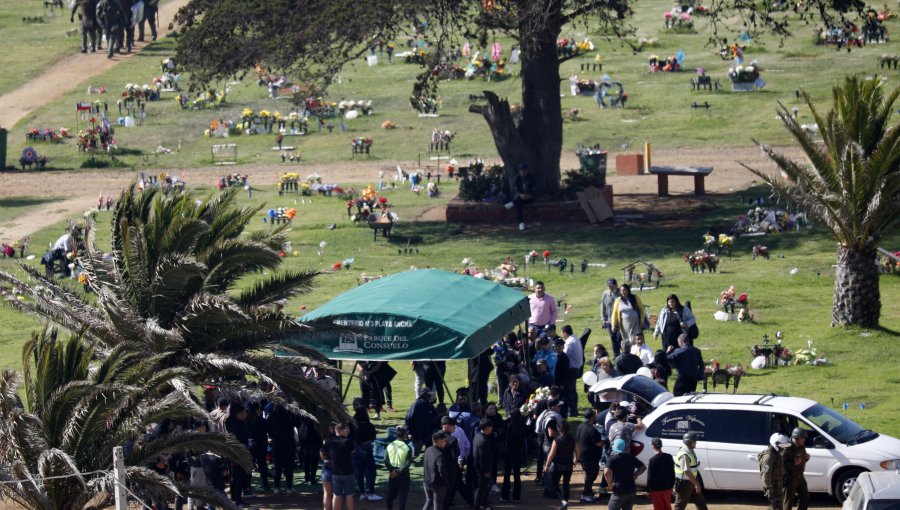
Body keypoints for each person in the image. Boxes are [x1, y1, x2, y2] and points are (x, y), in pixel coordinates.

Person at [604, 438, 646, 510]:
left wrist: (610, 485)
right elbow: (643, 467)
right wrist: (635, 475)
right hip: (631, 490)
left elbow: (606, 473)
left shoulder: (612, 459)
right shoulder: (631, 457)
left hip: (619, 491)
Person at [544, 419, 578, 510]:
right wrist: (575, 460)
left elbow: (551, 454)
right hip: (569, 465)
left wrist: (547, 465)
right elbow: (578, 452)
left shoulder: (557, 440)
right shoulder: (572, 439)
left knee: (554, 484)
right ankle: (566, 501)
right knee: (566, 484)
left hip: (558, 465)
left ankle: (562, 500)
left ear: (559, 429)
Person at [441, 416, 473, 510]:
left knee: (453, 486)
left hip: (445, 467)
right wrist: (460, 462)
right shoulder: (452, 439)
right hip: (452, 467)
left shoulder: (437, 436)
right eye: (452, 426)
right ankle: (472, 501)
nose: (454, 428)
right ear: (447, 426)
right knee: (457, 485)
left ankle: (449, 503)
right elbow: (457, 453)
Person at [351, 403, 381, 501]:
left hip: (356, 449)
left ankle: (363, 493)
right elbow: (373, 437)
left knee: (360, 472)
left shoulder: (352, 424)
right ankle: (371, 492)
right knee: (371, 471)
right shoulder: (369, 425)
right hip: (366, 448)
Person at [673, 432, 708, 510]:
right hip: (684, 484)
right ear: (690, 442)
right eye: (695, 442)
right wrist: (696, 484)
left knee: (701, 504)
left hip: (691, 481)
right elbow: (687, 471)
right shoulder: (684, 454)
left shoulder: (689, 450)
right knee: (680, 506)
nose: (696, 443)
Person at [224, 403, 250, 506]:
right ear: (239, 414)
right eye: (244, 412)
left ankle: (234, 497)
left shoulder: (230, 423)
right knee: (238, 476)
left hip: (232, 452)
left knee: (234, 475)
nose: (246, 414)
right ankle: (238, 499)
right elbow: (243, 439)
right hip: (239, 453)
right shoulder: (238, 425)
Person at [500, 408, 528, 503]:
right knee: (517, 475)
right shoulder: (523, 426)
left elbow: (502, 437)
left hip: (509, 453)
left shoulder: (508, 426)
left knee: (507, 475)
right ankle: (516, 497)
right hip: (518, 453)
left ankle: (505, 496)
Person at [576, 409, 604, 503]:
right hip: (590, 457)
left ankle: (588, 492)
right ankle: (586, 495)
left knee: (590, 475)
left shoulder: (580, 426)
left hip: (582, 455)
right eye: (595, 415)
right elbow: (598, 443)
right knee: (591, 476)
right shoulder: (592, 429)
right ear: (592, 417)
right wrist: (607, 441)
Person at [327, 423, 357, 510]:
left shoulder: (330, 442)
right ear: (341, 431)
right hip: (348, 471)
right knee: (349, 494)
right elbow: (353, 451)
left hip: (335, 472)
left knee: (336, 495)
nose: (347, 432)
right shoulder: (348, 442)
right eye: (346, 430)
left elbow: (324, 452)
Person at [535, 399, 564, 488]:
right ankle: (549, 485)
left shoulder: (546, 413)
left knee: (548, 464)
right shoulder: (551, 418)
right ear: (552, 407)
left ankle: (545, 481)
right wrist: (562, 434)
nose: (560, 408)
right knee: (551, 466)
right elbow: (551, 433)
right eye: (558, 406)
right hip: (550, 445)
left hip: (546, 444)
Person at [385, 425, 414, 510]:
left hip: (392, 474)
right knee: (402, 498)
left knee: (390, 495)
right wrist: (398, 471)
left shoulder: (390, 445)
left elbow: (385, 460)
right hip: (403, 474)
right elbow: (408, 463)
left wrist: (392, 471)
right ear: (405, 434)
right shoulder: (407, 447)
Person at [782, 428, 810, 510]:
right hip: (790, 478)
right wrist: (793, 463)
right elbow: (780, 463)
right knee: (788, 503)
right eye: (803, 438)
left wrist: (806, 458)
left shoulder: (801, 445)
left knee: (805, 499)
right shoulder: (786, 447)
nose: (804, 440)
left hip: (800, 476)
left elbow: (801, 457)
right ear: (797, 438)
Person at [405, 387, 439, 455]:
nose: (430, 396)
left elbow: (436, 417)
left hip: (429, 434)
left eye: (430, 394)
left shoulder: (430, 405)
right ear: (423, 395)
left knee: (430, 451)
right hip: (418, 435)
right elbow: (408, 418)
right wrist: (409, 431)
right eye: (428, 395)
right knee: (415, 453)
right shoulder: (416, 405)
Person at [761, 433, 790, 510]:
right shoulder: (768, 458)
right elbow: (766, 475)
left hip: (778, 486)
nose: (783, 449)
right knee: (775, 507)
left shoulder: (777, 454)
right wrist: (769, 490)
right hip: (773, 488)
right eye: (782, 447)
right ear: (776, 445)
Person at [504, 163, 536, 231]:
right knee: (519, 203)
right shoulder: (518, 178)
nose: (522, 172)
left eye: (524, 170)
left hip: (530, 198)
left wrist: (527, 196)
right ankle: (521, 224)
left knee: (518, 201)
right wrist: (521, 195)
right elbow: (517, 190)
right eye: (521, 170)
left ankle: (513, 203)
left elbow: (534, 192)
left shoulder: (531, 178)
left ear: (527, 170)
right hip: (520, 197)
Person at [473, 419, 496, 510]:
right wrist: (486, 471)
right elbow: (483, 458)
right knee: (482, 488)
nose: (492, 428)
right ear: (486, 428)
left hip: (479, 467)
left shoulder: (478, 436)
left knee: (485, 487)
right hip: (483, 469)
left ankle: (484, 504)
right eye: (490, 426)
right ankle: (479, 506)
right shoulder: (483, 441)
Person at [647, 438, 675, 510]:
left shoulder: (652, 460)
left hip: (656, 489)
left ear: (653, 446)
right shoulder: (669, 457)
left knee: (659, 507)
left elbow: (650, 477)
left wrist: (648, 490)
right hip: (667, 488)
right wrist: (672, 485)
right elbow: (672, 472)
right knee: (667, 507)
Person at [561, 325, 583, 415]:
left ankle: (573, 411)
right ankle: (574, 410)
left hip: (572, 369)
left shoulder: (569, 343)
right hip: (577, 368)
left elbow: (563, 355)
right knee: (573, 390)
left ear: (565, 333)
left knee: (570, 391)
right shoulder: (576, 339)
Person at [423, 432, 449, 510]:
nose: (445, 442)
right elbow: (441, 470)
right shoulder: (440, 454)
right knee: (437, 506)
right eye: (444, 440)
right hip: (437, 484)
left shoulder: (428, 450)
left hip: (427, 481)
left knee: (429, 501)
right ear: (439, 441)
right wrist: (446, 481)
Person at [600, 278, 622, 356]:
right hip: (609, 322)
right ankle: (616, 355)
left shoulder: (621, 293)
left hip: (620, 322)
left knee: (619, 338)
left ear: (616, 285)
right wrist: (603, 320)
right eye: (609, 286)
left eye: (612, 286)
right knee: (613, 339)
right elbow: (603, 307)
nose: (611, 288)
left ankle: (622, 353)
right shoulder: (605, 294)